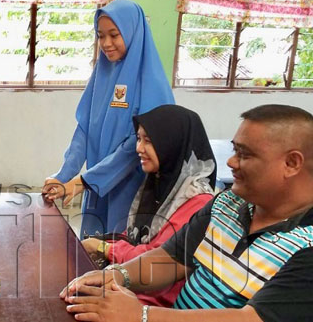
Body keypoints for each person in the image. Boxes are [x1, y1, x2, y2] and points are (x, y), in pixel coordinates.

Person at [60, 104, 313, 322]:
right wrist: (118, 276)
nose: (231, 162)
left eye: (244, 154)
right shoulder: (227, 205)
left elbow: (251, 319)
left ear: (292, 163)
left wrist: (142, 315)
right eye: (234, 150)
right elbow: (172, 259)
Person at [42, 0, 175, 237]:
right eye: (100, 36)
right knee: (93, 248)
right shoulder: (102, 74)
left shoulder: (152, 83)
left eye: (114, 35)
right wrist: (63, 176)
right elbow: (85, 129)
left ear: (132, 32)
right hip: (97, 184)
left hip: (132, 189)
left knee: (120, 253)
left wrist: (84, 181)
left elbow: (137, 148)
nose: (106, 43)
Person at [81, 105, 216, 307]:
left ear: (171, 144)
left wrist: (103, 247)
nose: (138, 148)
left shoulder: (196, 201)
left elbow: (156, 258)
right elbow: (133, 236)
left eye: (149, 141)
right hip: (133, 285)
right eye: (138, 138)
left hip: (154, 302)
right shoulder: (160, 183)